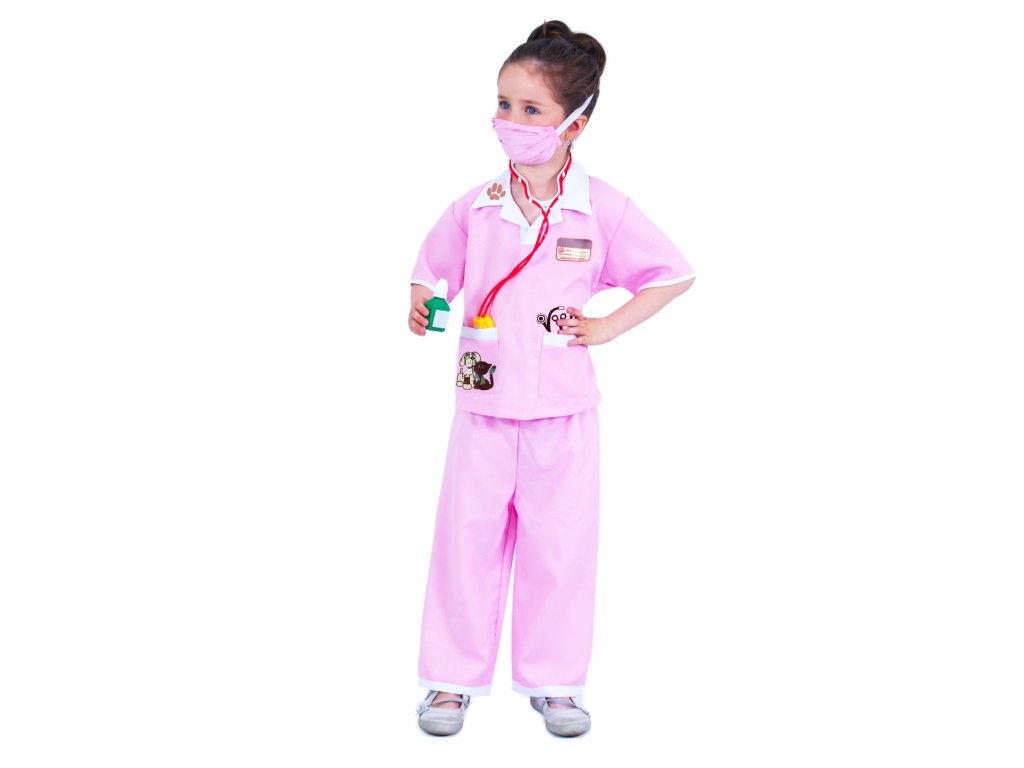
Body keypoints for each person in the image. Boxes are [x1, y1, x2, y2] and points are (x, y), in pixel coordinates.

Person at [407, 20, 696, 738]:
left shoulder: (600, 208)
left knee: (559, 550)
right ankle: (450, 683)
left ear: (575, 124)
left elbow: (673, 273)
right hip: (483, 407)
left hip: (563, 414)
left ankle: (556, 685)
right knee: (464, 544)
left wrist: (607, 325)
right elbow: (429, 269)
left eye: (531, 109)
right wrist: (421, 301)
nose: (510, 120)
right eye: (504, 104)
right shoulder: (477, 205)